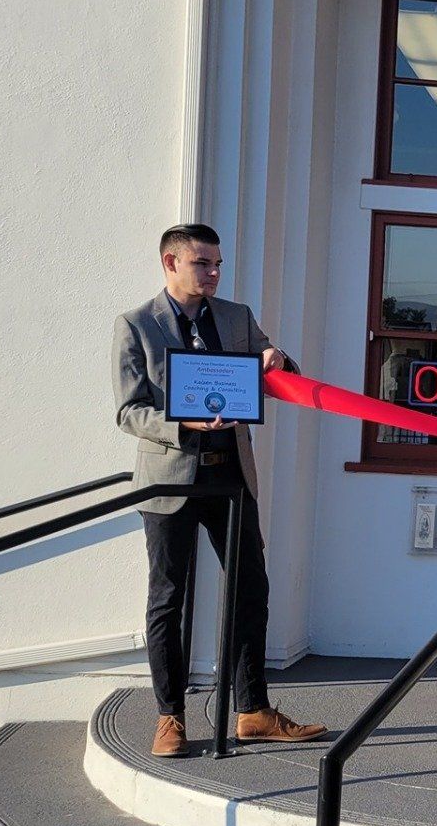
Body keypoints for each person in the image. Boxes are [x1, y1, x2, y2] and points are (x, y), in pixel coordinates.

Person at [112, 224, 327, 758]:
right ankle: (170, 717)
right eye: (201, 264)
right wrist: (184, 426)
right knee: (169, 599)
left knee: (251, 590)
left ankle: (253, 711)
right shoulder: (136, 325)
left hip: (232, 476)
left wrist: (279, 359)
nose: (212, 274)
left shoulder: (235, 316)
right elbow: (128, 411)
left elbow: (276, 370)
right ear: (170, 263)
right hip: (169, 480)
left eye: (217, 264)